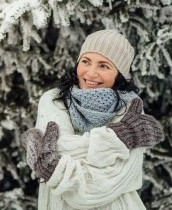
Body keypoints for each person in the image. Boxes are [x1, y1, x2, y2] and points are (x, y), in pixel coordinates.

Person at [21, 29, 164, 210]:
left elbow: (99, 188)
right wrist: (120, 137)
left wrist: (58, 170)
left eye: (104, 66)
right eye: (86, 62)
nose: (91, 73)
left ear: (119, 74)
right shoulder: (54, 100)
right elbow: (60, 148)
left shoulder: (131, 109)